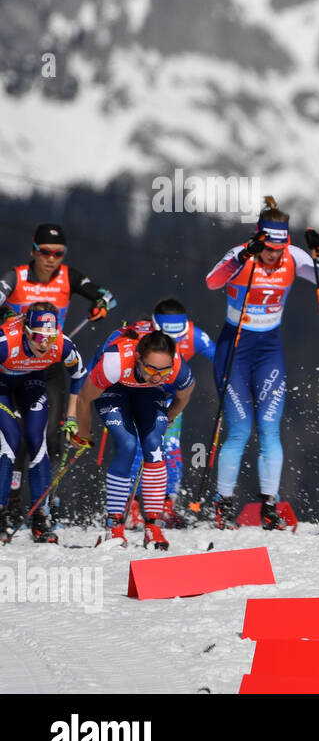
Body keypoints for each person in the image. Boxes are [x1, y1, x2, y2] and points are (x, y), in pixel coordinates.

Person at [203, 197, 319, 530]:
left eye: (281, 249)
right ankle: (222, 505)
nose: (275, 255)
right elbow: (212, 282)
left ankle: (269, 506)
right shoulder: (241, 255)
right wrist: (242, 256)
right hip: (235, 347)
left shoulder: (292, 257)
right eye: (269, 249)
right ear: (258, 239)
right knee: (239, 430)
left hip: (269, 349)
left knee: (269, 430)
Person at [0, 223, 114, 518]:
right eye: (45, 252)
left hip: (45, 366)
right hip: (10, 360)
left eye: (58, 253)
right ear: (33, 251)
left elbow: (107, 296)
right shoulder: (16, 277)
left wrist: (100, 306)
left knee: (49, 435)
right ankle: (12, 497)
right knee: (14, 438)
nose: (51, 259)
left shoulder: (68, 277)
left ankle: (45, 505)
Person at [70, 329, 195, 549]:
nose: (157, 376)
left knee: (154, 444)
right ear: (138, 358)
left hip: (148, 391)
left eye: (164, 371)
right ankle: (115, 526)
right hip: (113, 388)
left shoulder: (177, 368)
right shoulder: (114, 361)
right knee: (128, 444)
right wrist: (84, 432)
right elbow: (84, 398)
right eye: (151, 368)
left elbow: (184, 395)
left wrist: (170, 416)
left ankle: (153, 527)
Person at [95, 299, 215, 526]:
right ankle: (131, 503)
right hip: (142, 388)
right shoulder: (144, 334)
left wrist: (229, 377)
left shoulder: (194, 335)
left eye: (178, 334)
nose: (174, 340)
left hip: (170, 395)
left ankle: (166, 504)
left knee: (167, 447)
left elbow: (220, 358)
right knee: (135, 446)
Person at [0, 304, 87, 544]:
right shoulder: (6, 341)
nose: (44, 344)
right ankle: (1, 517)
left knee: (38, 441)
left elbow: (79, 375)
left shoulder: (61, 343)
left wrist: (71, 417)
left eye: (49, 336)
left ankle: (40, 519)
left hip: (32, 382)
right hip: (3, 386)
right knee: (10, 442)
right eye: (38, 336)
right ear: (26, 331)